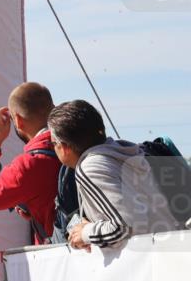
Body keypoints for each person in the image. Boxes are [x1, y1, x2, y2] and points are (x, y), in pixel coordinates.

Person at [48, 100, 182, 249]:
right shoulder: (122, 152)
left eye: (53, 143)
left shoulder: (90, 167)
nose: (53, 148)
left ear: (64, 147)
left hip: (149, 262)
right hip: (168, 251)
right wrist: (91, 232)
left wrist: (86, 233)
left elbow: (125, 226)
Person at [0, 82, 60, 244]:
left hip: (62, 259)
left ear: (17, 120)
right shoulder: (76, 144)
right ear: (54, 108)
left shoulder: (27, 166)